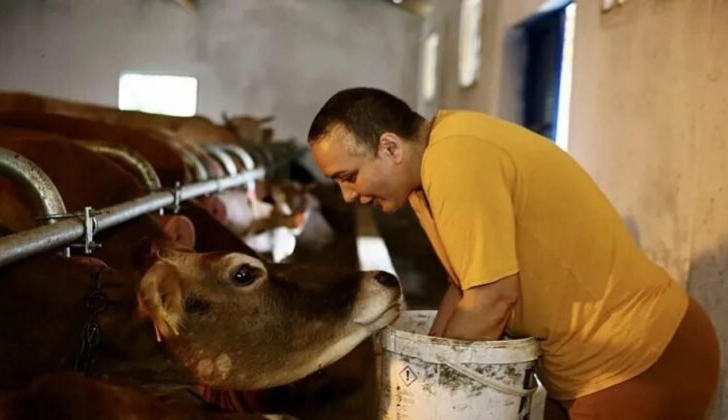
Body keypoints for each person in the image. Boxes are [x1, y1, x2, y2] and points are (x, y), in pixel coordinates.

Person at [306, 87, 720, 419]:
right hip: (587, 366)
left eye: (349, 177)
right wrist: (428, 373)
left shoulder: (455, 158)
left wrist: (433, 396)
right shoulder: (426, 177)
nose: (348, 195)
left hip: (639, 361)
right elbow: (465, 286)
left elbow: (492, 300)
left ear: (391, 148)